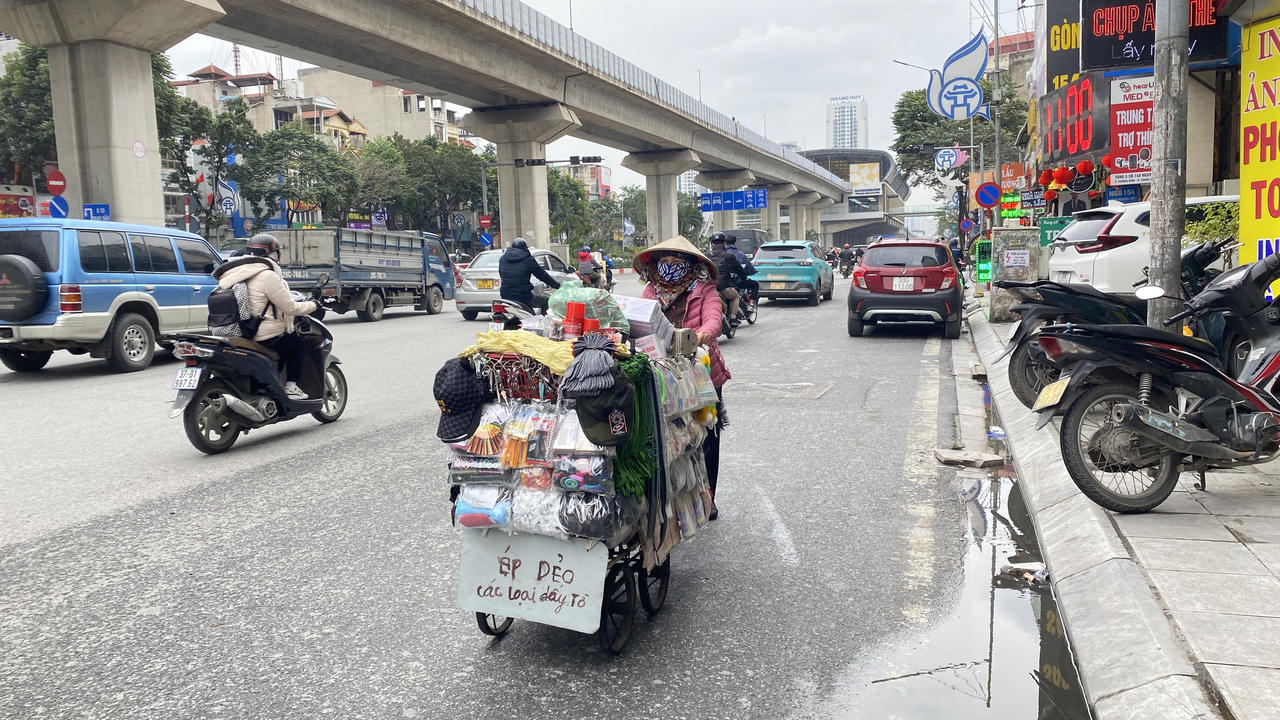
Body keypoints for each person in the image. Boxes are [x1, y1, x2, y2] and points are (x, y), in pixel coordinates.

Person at [633, 236, 730, 520]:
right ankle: (674, 499)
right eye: (666, 261)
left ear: (690, 264)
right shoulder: (652, 290)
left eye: (678, 261)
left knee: (707, 438)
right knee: (671, 440)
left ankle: (709, 498)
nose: (671, 266)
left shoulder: (705, 289)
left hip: (701, 372)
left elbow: (714, 319)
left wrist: (698, 336)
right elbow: (640, 317)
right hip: (664, 374)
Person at [212, 233, 322, 399]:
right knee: (297, 343)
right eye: (277, 252)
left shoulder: (236, 274)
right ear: (272, 254)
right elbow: (290, 307)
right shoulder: (267, 275)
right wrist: (313, 305)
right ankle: (291, 387)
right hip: (264, 335)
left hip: (241, 331)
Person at [499, 237, 561, 308]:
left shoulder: (503, 259)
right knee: (547, 302)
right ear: (525, 248)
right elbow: (542, 275)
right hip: (523, 297)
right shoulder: (528, 259)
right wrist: (557, 286)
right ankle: (544, 319)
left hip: (505, 295)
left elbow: (502, 274)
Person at [708, 232, 748, 324]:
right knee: (735, 296)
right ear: (724, 243)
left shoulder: (706, 255)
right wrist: (744, 278)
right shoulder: (729, 256)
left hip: (708, 287)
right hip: (723, 287)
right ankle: (733, 318)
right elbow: (739, 270)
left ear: (712, 243)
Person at [723, 235, 758, 305]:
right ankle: (751, 305)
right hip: (737, 282)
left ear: (725, 243)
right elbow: (749, 269)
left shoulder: (721, 254)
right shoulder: (740, 254)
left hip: (723, 283)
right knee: (755, 284)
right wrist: (753, 272)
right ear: (735, 243)